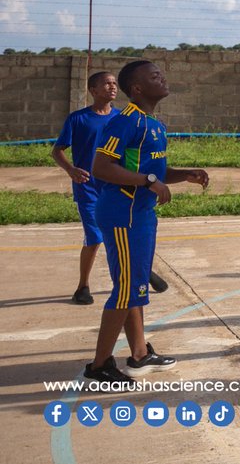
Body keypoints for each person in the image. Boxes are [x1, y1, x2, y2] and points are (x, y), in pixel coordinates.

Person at [85, 60, 209, 389]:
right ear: (137, 89)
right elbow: (101, 166)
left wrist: (184, 175)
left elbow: (156, 171)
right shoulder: (125, 122)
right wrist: (148, 180)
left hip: (140, 214)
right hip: (122, 214)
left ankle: (139, 353)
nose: (163, 78)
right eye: (155, 76)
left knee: (135, 285)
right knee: (125, 289)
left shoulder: (153, 124)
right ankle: (99, 366)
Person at [52, 70, 118, 305]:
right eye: (106, 83)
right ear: (93, 90)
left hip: (115, 186)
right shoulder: (78, 119)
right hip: (88, 187)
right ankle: (83, 286)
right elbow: (57, 151)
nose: (112, 87)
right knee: (94, 237)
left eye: (114, 83)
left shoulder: (121, 118)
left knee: (122, 233)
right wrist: (71, 170)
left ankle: (136, 272)